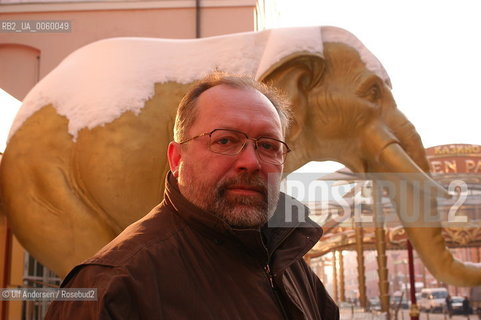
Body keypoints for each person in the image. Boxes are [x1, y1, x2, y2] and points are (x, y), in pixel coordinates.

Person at [45, 72, 339, 319]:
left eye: (268, 145)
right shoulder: (113, 286)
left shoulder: (289, 264)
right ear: (176, 159)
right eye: (225, 140)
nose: (251, 161)